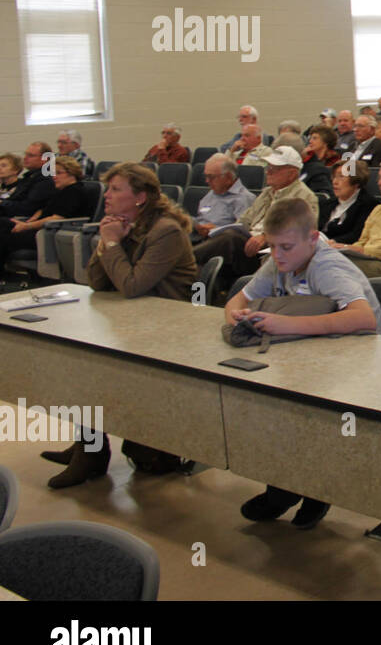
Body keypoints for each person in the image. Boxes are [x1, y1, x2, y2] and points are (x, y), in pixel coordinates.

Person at [227, 198, 381, 529]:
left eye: (285, 246)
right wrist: (239, 316)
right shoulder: (282, 259)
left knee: (299, 410)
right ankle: (296, 486)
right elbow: (237, 299)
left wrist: (284, 325)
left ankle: (294, 489)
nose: (278, 255)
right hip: (313, 353)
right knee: (275, 403)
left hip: (359, 363)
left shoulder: (328, 267)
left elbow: (363, 318)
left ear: (313, 239)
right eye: (272, 247)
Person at [42, 163, 198, 489]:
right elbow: (98, 282)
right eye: (108, 189)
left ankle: (91, 452)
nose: (107, 197)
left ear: (140, 197)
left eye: (116, 189)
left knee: (95, 361)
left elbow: (131, 285)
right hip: (136, 318)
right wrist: (105, 241)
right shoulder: (127, 225)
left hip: (168, 327)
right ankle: (90, 447)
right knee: (79, 354)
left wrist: (113, 245)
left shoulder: (164, 231)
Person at [192, 147, 319, 282]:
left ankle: (185, 258)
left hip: (268, 253)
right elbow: (245, 219)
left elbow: (300, 232)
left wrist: (266, 236)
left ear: (292, 174)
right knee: (202, 265)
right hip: (247, 245)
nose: (268, 172)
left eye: (274, 169)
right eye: (268, 167)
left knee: (230, 238)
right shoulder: (266, 193)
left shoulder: (304, 197)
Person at [0, 157, 95, 271]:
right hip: (40, 229)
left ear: (72, 173)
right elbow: (43, 210)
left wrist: (27, 226)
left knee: (3, 236)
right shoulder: (61, 191)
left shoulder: (74, 192)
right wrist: (28, 222)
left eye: (59, 173)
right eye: (54, 173)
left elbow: (56, 218)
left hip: (51, 234)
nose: (54, 177)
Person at [192, 155, 255, 239]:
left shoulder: (244, 198)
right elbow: (201, 217)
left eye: (211, 177)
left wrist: (216, 229)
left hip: (218, 241)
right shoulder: (212, 192)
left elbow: (240, 233)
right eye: (206, 176)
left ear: (228, 177)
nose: (207, 181)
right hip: (198, 236)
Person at [322, 160, 376, 245]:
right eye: (334, 177)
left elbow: (357, 235)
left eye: (341, 177)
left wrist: (332, 242)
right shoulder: (326, 203)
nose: (335, 182)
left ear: (356, 181)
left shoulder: (369, 205)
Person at [0, 142, 56, 220]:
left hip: (21, 220)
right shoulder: (29, 177)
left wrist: (2, 203)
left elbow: (27, 208)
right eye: (25, 154)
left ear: (45, 159)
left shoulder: (44, 180)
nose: (25, 158)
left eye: (30, 155)